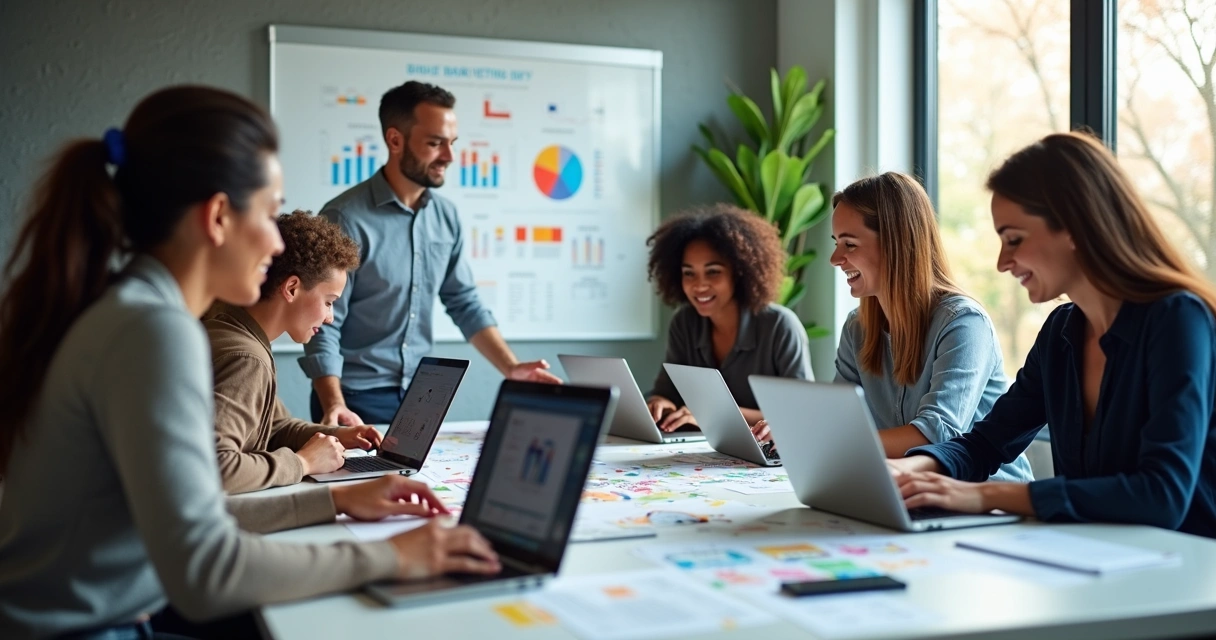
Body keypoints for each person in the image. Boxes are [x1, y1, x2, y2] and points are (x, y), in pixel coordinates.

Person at [0, 85, 499, 640]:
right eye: (270, 211)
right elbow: (206, 571)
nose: (273, 238)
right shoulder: (153, 332)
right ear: (217, 217)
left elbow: (192, 518)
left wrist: (336, 499)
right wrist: (395, 559)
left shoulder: (133, 310)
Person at [891, 131, 1216, 537]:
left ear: (1076, 227)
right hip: (1099, 560)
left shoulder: (1178, 320)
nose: (1002, 262)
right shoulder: (1062, 331)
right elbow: (987, 443)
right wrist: (907, 469)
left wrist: (984, 496)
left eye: (1014, 239)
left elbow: (1161, 495)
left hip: (1190, 575)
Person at [302, 81, 560, 426]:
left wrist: (510, 367)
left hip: (421, 397)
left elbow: (464, 302)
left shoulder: (446, 216)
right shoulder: (344, 218)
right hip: (353, 400)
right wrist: (333, 403)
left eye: (452, 143)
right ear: (395, 140)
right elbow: (322, 321)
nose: (449, 157)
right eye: (435, 143)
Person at [826, 172, 1032, 481]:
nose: (835, 258)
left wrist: (831, 442)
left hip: (985, 499)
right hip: (906, 488)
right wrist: (802, 433)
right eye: (836, 243)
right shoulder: (858, 327)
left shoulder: (963, 324)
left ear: (895, 244)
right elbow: (839, 419)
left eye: (849, 244)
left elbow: (938, 435)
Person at [205, 210, 383, 494]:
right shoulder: (247, 359)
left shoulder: (232, 328)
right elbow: (215, 468)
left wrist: (337, 436)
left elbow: (275, 427)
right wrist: (302, 463)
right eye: (328, 301)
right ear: (291, 288)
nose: (330, 317)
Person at [644, 204, 813, 439]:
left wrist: (713, 415)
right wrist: (660, 404)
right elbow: (666, 392)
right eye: (688, 273)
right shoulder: (684, 323)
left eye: (713, 272)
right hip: (702, 453)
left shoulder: (780, 326)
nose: (699, 285)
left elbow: (801, 412)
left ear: (740, 271)